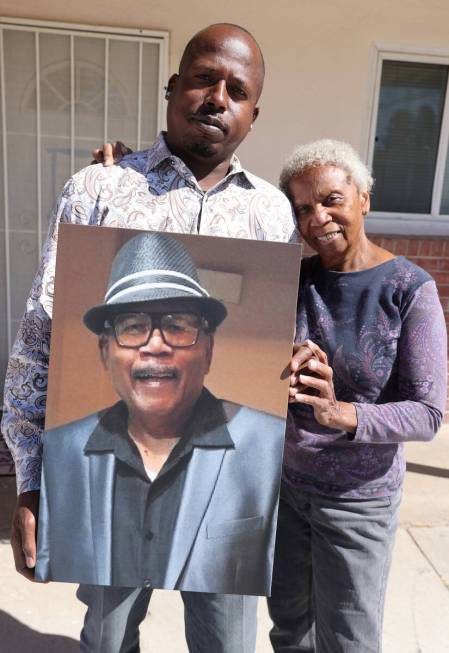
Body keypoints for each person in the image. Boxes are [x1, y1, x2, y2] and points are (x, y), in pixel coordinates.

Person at [2, 23, 296, 653]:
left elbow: (278, 337)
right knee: (106, 638)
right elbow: (39, 336)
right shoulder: (101, 188)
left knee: (227, 642)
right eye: (202, 79)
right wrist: (29, 479)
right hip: (108, 468)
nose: (218, 98)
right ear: (172, 89)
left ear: (253, 114)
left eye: (237, 90)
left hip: (227, 475)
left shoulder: (272, 214)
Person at [267, 139, 447, 652]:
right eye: (303, 208)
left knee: (349, 640)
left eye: (331, 200)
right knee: (289, 631)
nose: (317, 217)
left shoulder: (409, 289)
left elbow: (429, 414)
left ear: (363, 198)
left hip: (359, 501)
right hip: (286, 491)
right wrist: (126, 176)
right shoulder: (294, 279)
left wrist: (340, 412)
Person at [36, 232, 285, 595]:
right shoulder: (60, 450)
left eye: (176, 325)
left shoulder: (271, 445)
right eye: (133, 326)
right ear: (105, 353)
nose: (156, 345)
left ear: (209, 350)